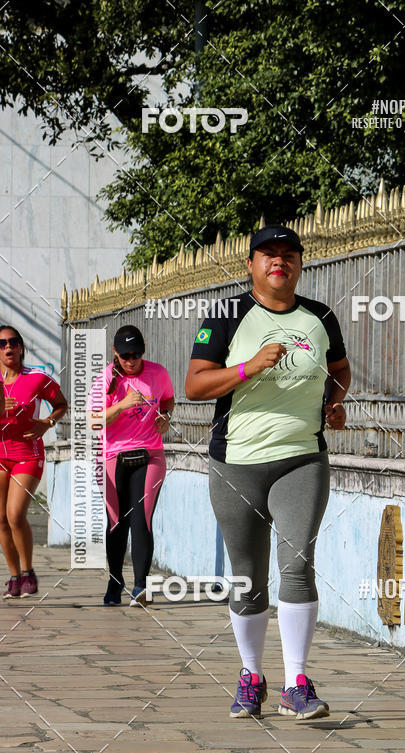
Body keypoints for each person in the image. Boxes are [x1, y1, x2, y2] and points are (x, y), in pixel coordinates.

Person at [185, 224, 351, 720]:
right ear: (251, 265)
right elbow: (194, 386)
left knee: (297, 565)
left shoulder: (320, 317)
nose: (280, 262)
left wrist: (335, 403)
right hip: (236, 463)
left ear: (300, 264)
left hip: (302, 457)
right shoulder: (227, 317)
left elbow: (339, 370)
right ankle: (251, 677)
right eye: (269, 255)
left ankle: (296, 683)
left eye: (290, 254)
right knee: (248, 577)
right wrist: (248, 367)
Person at [89, 325, 174, 607]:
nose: (131, 360)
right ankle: (115, 583)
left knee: (142, 518)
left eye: (136, 354)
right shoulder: (105, 380)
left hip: (150, 454)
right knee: (116, 522)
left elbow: (169, 401)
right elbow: (94, 422)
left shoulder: (158, 373)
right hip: (113, 456)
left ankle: (140, 587)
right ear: (115, 353)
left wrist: (166, 418)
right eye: (125, 355)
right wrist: (122, 404)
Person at [0, 326, 67, 598]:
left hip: (28, 453)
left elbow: (61, 405)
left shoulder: (38, 378)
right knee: (1, 520)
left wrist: (47, 423)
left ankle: (28, 572)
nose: (8, 347)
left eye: (14, 342)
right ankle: (14, 577)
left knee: (15, 514)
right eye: (2, 343)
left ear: (21, 347)